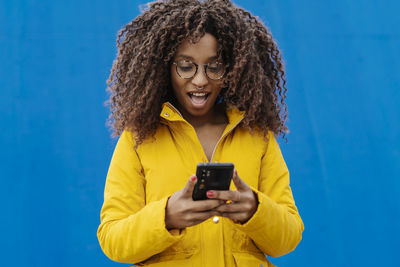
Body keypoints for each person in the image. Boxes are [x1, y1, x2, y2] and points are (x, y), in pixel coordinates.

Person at [97, 0, 304, 266]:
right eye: (186, 66)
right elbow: (112, 239)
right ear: (165, 68)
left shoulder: (257, 135)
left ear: (231, 70)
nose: (200, 80)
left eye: (214, 66)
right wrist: (167, 216)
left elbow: (288, 239)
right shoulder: (138, 138)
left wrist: (255, 208)